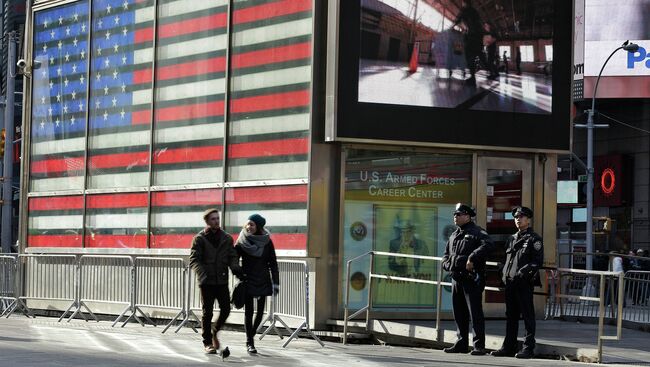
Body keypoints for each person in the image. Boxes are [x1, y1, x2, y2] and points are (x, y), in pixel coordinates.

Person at [189, 208, 244, 358]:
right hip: (206, 282)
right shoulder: (199, 238)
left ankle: (215, 331)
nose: (216, 221)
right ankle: (207, 343)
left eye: (217, 218)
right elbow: (194, 259)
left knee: (226, 309)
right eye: (213, 219)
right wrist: (202, 274)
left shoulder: (226, 238)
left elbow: (232, 256)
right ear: (207, 221)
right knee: (207, 313)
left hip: (221, 280)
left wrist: (235, 268)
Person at [442, 203, 494, 355]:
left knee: (475, 313)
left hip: (471, 279)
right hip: (456, 278)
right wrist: (446, 265)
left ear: (467, 216)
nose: (455, 217)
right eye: (454, 214)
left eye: (458, 214)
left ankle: (479, 345)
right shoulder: (454, 235)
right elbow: (446, 254)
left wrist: (472, 257)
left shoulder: (477, 232)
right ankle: (461, 343)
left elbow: (489, 245)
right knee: (459, 313)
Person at [492, 206, 543, 359]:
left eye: (521, 217)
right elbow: (506, 260)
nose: (518, 219)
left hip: (523, 283)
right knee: (511, 316)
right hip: (510, 283)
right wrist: (503, 273)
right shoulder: (511, 238)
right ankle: (508, 346)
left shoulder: (534, 239)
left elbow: (537, 262)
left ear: (528, 219)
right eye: (516, 217)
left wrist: (523, 273)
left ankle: (528, 348)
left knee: (528, 316)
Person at [234, 214, 279, 354]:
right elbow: (233, 261)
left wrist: (275, 283)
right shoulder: (241, 241)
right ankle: (250, 343)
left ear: (258, 226)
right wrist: (240, 275)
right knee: (248, 312)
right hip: (248, 279)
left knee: (260, 312)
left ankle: (250, 335)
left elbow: (273, 263)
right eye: (247, 224)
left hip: (263, 279)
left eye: (252, 224)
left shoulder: (267, 242)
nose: (248, 227)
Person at [453, 0, 485, 86]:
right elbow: (478, 23)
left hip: (472, 35)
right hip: (479, 36)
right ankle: (474, 75)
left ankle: (472, 78)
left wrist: (452, 26)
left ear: (465, 3)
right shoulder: (475, 11)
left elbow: (457, 20)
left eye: (462, 3)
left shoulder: (465, 10)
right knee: (474, 55)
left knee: (469, 56)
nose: (462, 4)